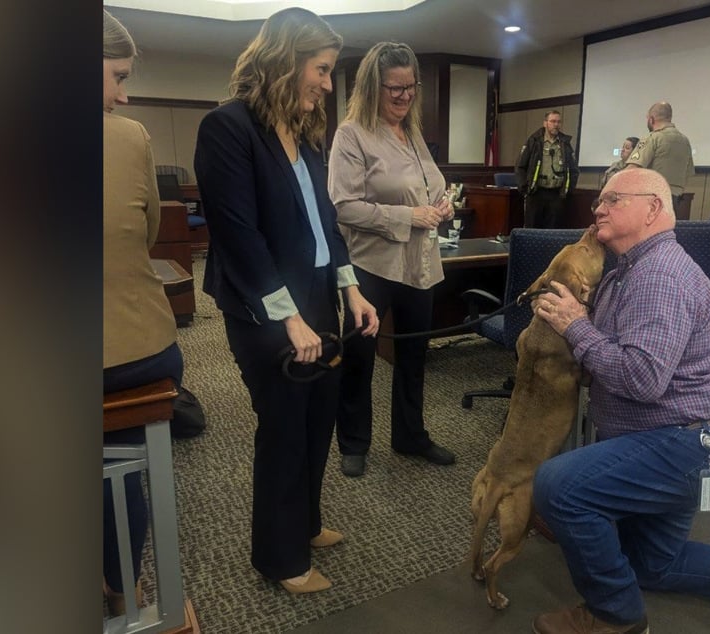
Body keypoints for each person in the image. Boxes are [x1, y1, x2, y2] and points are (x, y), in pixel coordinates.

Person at [193, 8, 379, 594]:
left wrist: (351, 288)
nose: (328, 84)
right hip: (265, 311)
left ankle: (306, 521)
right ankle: (279, 557)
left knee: (318, 417)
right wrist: (291, 319)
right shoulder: (227, 128)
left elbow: (325, 222)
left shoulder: (303, 132)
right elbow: (239, 236)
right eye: (322, 70)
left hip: (318, 300)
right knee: (283, 426)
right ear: (285, 59)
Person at [529, 168, 710, 634]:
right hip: (685, 439)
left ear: (652, 208)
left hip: (690, 443)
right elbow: (611, 359)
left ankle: (616, 616)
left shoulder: (659, 275)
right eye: (599, 201)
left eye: (613, 199)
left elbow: (642, 377)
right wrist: (565, 330)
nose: (598, 208)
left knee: (558, 486)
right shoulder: (625, 273)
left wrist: (575, 326)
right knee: (652, 565)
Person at [328, 41, 457, 478]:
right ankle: (354, 441)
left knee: (414, 354)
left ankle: (409, 435)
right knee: (361, 356)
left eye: (411, 87)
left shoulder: (413, 131)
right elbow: (344, 206)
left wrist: (442, 204)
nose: (404, 97)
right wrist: (411, 214)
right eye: (394, 89)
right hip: (372, 266)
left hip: (420, 264)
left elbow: (429, 188)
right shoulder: (352, 134)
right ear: (371, 86)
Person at [102, 9, 185, 615]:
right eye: (116, 76)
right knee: (124, 464)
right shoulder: (129, 136)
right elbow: (151, 232)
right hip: (137, 351)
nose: (124, 94)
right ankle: (123, 582)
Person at [625, 102, 695, 211]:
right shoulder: (685, 141)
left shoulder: (652, 138)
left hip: (651, 200)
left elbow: (632, 170)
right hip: (674, 201)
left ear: (651, 119)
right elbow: (689, 173)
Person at [515, 110, 579, 228]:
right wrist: (524, 188)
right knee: (532, 230)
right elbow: (520, 166)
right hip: (536, 193)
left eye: (559, 122)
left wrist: (568, 190)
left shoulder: (565, 144)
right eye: (553, 121)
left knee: (552, 231)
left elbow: (574, 170)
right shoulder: (534, 141)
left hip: (556, 194)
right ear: (545, 123)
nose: (556, 124)